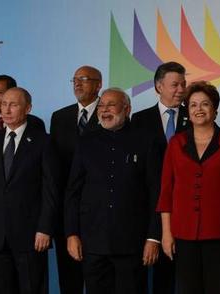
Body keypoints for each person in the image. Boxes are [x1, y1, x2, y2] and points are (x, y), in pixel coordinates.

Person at [157, 81, 220, 294]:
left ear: (215, 110)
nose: (199, 109)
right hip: (184, 233)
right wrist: (166, 233)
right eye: (193, 105)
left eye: (205, 104)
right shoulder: (175, 143)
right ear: (188, 112)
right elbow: (166, 190)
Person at [64, 88, 162, 294]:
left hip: (132, 243)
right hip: (92, 242)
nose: (104, 110)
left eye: (111, 105)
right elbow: (73, 192)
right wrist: (72, 233)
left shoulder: (147, 140)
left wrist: (153, 237)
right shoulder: (86, 142)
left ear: (127, 109)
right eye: (101, 105)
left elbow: (156, 192)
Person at [0, 87, 58, 294]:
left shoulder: (43, 141)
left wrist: (45, 228)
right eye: (3, 104)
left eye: (13, 104)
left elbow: (50, 190)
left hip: (30, 236)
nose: (6, 110)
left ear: (28, 108)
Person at [131, 61, 189, 294]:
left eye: (183, 84)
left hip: (185, 206)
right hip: (148, 208)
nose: (181, 89)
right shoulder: (139, 120)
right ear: (158, 87)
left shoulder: (194, 116)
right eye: (175, 84)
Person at [50, 65, 102, 293]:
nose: (78, 84)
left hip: (100, 210)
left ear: (98, 84)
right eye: (75, 80)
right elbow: (53, 167)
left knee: (98, 280)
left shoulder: (110, 111)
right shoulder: (59, 117)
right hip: (67, 210)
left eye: (84, 79)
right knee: (69, 279)